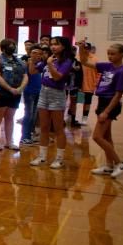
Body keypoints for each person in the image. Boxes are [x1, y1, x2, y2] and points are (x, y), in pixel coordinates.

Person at [83, 44, 123, 178]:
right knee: (106, 137)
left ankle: (120, 163)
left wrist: (106, 112)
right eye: (108, 54)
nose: (110, 56)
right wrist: (82, 49)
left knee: (97, 136)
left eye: (113, 54)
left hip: (111, 104)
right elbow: (84, 62)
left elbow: (118, 95)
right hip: (102, 101)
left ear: (121, 54)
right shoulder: (107, 66)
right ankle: (109, 166)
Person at [30, 37, 76, 169]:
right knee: (43, 127)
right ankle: (42, 156)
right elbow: (33, 71)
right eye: (52, 44)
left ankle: (59, 158)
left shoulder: (67, 61)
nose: (53, 47)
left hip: (57, 94)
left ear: (64, 46)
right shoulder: (48, 58)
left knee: (58, 128)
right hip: (44, 92)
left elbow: (57, 77)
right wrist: (33, 59)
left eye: (56, 44)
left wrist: (50, 64)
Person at [20, 44, 45, 145]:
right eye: (34, 53)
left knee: (34, 116)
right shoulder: (26, 64)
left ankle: (29, 135)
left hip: (39, 91)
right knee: (28, 114)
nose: (37, 55)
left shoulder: (41, 64)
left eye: (39, 54)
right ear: (29, 53)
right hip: (29, 92)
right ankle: (24, 137)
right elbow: (31, 72)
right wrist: (31, 61)